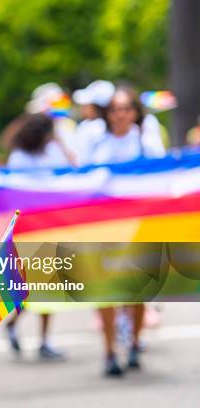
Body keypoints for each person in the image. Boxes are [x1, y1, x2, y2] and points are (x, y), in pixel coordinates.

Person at [89, 86, 165, 377]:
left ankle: (133, 342)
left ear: (135, 112)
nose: (120, 115)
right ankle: (109, 351)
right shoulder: (97, 143)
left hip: (137, 227)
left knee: (136, 291)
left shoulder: (146, 141)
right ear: (108, 114)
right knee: (105, 290)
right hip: (104, 227)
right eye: (114, 109)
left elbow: (160, 176)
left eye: (125, 108)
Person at [3, 113, 67, 360]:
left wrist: (61, 143)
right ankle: (14, 323)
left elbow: (71, 169)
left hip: (50, 224)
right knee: (34, 286)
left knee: (50, 284)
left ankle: (44, 339)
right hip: (29, 228)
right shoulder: (19, 158)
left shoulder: (51, 152)